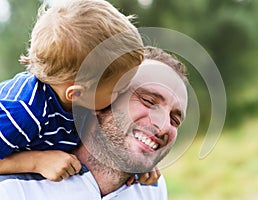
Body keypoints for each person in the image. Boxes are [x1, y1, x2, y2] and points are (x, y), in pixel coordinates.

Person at [0, 46, 189, 199]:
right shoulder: (13, 188)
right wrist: (33, 162)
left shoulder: (151, 190)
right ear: (97, 97)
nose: (164, 126)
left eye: (175, 119)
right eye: (148, 101)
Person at [0, 0, 147, 182]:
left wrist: (136, 162)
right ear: (76, 93)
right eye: (118, 90)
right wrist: (36, 161)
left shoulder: (86, 98)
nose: (125, 94)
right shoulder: (23, 112)